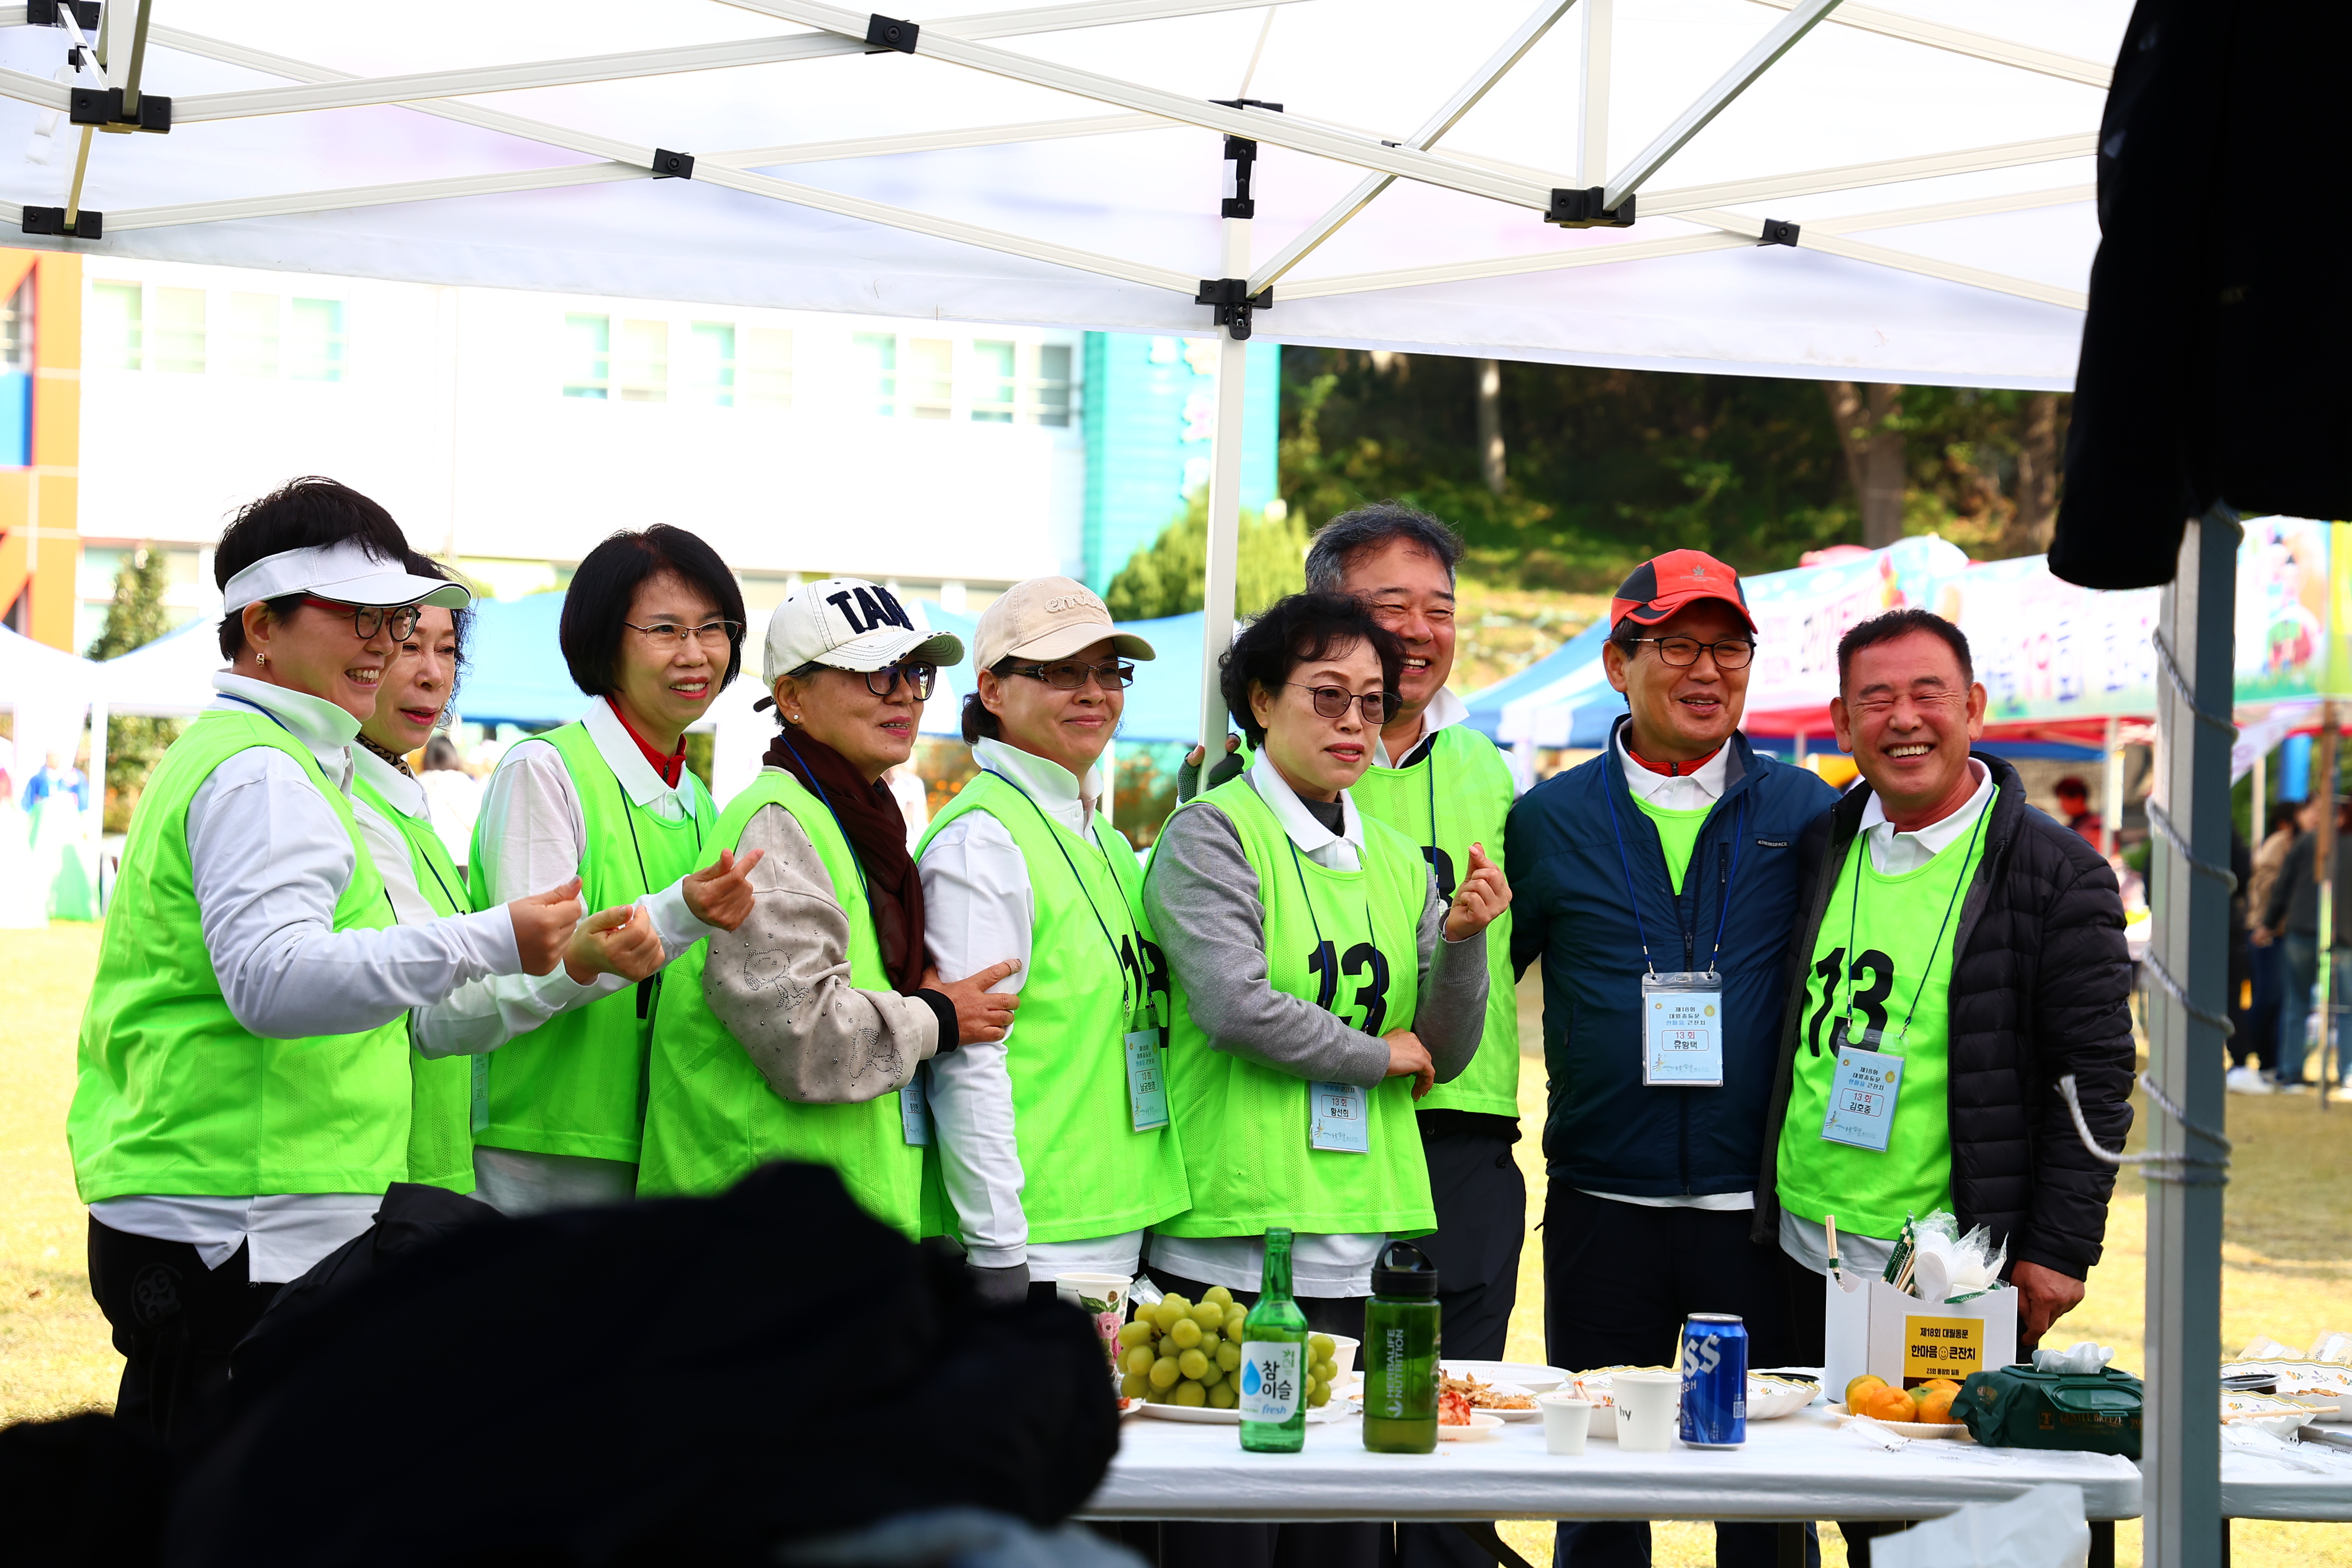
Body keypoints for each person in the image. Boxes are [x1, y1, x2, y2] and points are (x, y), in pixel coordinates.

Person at [67, 477, 587, 1442]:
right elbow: (272, 981)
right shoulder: (263, 768)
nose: (384, 644)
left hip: (239, 1199)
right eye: (356, 613)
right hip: (242, 1211)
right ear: (260, 626)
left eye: (395, 618)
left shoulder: (271, 755)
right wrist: (492, 937)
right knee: (230, 1492)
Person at [1756, 612, 2134, 1565]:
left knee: (1952, 1526)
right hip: (1808, 1249)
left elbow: (2095, 1080)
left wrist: (2057, 1250)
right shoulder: (1822, 843)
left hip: (1952, 1272)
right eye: (1875, 699)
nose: (1903, 718)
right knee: (1851, 1512)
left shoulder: (2056, 873)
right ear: (1841, 723)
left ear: (1973, 708)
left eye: (1927, 694)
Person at [1142, 591, 1505, 1562]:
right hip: (1232, 1252)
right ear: (1261, 702)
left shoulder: (1398, 859)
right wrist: (1375, 1054)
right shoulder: (1209, 834)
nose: (1353, 721)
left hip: (1361, 1246)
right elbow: (1233, 1004)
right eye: (1327, 695)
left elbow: (1442, 1048)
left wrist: (1464, 943)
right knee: (1231, 1540)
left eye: (1371, 701)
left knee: (1341, 1537)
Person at [1505, 548, 1834, 1568]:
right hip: (1600, 1208)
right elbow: (1476, 984)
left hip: (1756, 1217)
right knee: (1602, 1491)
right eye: (1678, 647)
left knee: (1763, 1495)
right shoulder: (1546, 819)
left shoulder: (1808, 814)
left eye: (1728, 649)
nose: (1707, 671)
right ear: (1617, 665)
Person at [636, 578, 1017, 1236]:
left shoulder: (853, 816)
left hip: (825, 1231)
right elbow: (805, 1038)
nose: (904, 693)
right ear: (792, 698)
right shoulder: (778, 822)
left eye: (915, 673)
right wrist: (938, 1017)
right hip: (754, 1238)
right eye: (876, 673)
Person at [468, 525, 766, 1214]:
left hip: (667, 1145)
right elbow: (525, 971)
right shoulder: (547, 770)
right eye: (665, 629)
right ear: (605, 641)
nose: (695, 653)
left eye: (712, 628)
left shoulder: (698, 801)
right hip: (542, 1147)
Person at [347, 554, 666, 1196]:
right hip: (384, 1179)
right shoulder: (346, 799)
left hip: (425, 1171)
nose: (433, 673)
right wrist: (575, 962)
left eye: (447, 649)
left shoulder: (401, 798)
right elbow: (434, 1015)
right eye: (407, 644)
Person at [914, 576, 1186, 1303]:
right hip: (1031, 1248)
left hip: (1115, 1228)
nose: (1094, 692)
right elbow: (970, 1058)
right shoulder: (983, 841)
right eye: (1062, 671)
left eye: (1108, 671)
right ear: (993, 690)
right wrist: (997, 1249)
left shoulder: (1100, 835)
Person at [2259, 796, 2352, 1090]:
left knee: (2298, 1004)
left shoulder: (2307, 842)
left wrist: (2268, 923)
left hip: (2308, 931)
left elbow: (2283, 886)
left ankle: (2292, 1071)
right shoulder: (2315, 842)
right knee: (2345, 1008)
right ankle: (2347, 1072)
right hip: (2340, 934)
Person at [2236, 806, 2304, 1093]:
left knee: (2284, 999)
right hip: (2267, 930)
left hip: (2291, 930)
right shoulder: (2280, 842)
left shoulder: (2304, 841)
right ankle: (2245, 1055)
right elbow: (2264, 884)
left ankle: (2271, 1061)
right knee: (2268, 996)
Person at [416, 733, 484, 874]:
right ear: (452, 755)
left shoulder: (419, 780)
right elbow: (474, 820)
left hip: (429, 854)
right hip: (459, 855)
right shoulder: (457, 780)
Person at [19, 748, 89, 814]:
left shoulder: (75, 778)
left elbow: (84, 803)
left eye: (57, 755)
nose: (55, 758)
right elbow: (26, 804)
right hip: (43, 820)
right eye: (52, 755)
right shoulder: (37, 780)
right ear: (48, 757)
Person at [2052, 776, 2102, 847]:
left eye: (2064, 799)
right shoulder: (2070, 827)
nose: (2061, 804)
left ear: (2079, 799)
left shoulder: (2096, 826)